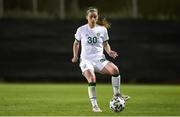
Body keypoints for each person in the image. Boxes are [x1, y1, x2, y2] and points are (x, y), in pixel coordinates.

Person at [72, 7, 130, 112]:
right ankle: (95, 106)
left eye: (95, 16)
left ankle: (117, 94)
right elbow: (76, 43)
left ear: (97, 17)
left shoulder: (102, 29)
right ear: (87, 17)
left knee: (115, 70)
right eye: (91, 16)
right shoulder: (81, 29)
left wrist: (109, 51)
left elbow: (105, 43)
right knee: (92, 78)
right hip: (86, 60)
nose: (93, 18)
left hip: (99, 59)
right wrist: (75, 56)